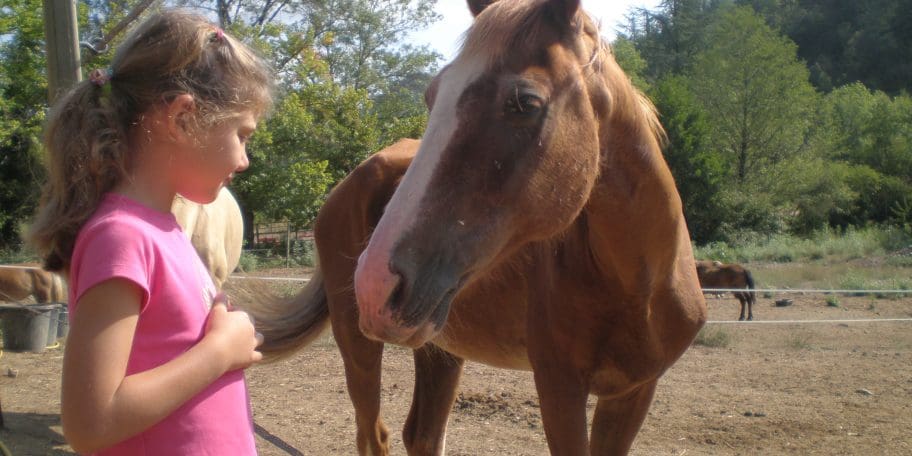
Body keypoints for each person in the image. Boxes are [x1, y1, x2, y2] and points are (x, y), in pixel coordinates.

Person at [29, 10, 273, 455]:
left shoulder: (162, 229)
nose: (244, 160)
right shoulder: (122, 237)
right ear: (182, 118)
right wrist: (219, 352)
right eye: (242, 135)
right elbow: (91, 423)